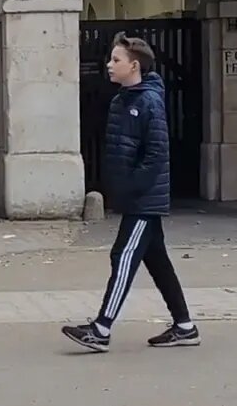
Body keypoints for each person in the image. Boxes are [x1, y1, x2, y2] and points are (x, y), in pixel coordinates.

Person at [62, 33, 199, 353]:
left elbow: (155, 153)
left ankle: (101, 328)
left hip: (144, 197)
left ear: (134, 66)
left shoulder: (148, 101)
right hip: (135, 195)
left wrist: (131, 187)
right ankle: (184, 326)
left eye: (116, 60)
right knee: (157, 261)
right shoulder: (123, 99)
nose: (109, 65)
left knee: (122, 256)